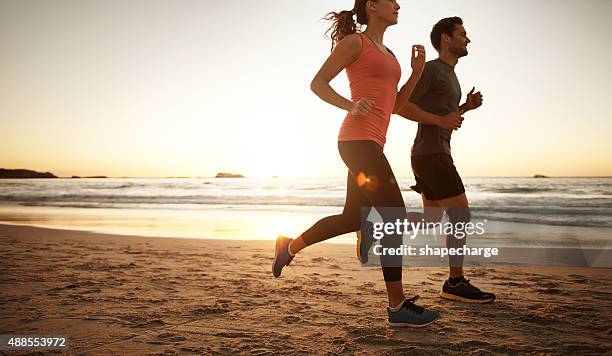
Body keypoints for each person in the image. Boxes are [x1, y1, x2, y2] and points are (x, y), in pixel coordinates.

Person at [272, 0, 440, 327]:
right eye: (390, 0)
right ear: (372, 6)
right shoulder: (355, 42)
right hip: (356, 141)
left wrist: (416, 74)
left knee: (352, 217)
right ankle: (397, 306)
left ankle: (288, 246)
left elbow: (394, 106)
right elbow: (318, 82)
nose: (398, 4)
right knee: (394, 214)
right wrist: (350, 105)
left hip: (372, 143)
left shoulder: (390, 55)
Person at [396, 16, 496, 303]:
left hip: (430, 153)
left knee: (432, 218)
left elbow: (445, 119)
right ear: (446, 38)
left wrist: (465, 107)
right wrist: (443, 117)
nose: (468, 39)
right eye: (463, 33)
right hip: (431, 154)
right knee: (460, 214)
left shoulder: (451, 75)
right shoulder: (432, 70)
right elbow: (400, 106)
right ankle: (454, 281)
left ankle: (374, 225)